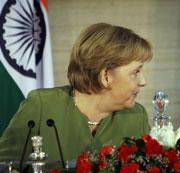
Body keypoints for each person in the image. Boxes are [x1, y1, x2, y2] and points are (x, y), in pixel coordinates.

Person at [0, 23, 152, 162]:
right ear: (106, 76)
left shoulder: (137, 117)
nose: (143, 81)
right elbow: (3, 167)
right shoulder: (42, 105)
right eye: (135, 72)